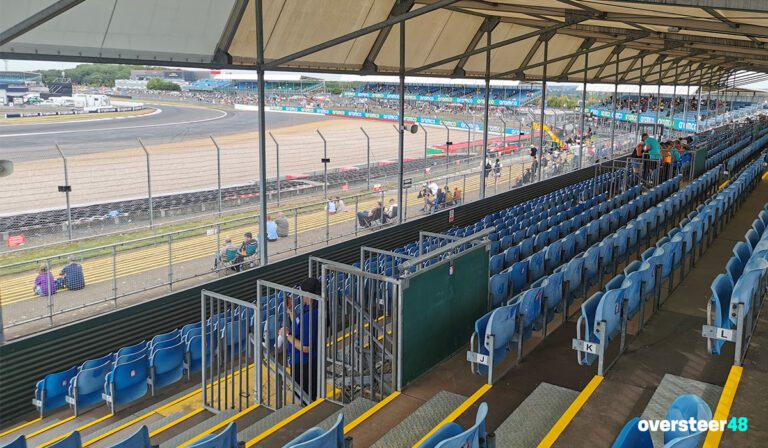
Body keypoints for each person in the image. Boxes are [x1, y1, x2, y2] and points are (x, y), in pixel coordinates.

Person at [278, 277, 321, 401]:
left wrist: (287, 335)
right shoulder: (311, 311)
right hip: (307, 362)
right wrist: (291, 311)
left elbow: (306, 347)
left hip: (303, 364)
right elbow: (300, 325)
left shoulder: (310, 316)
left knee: (303, 397)